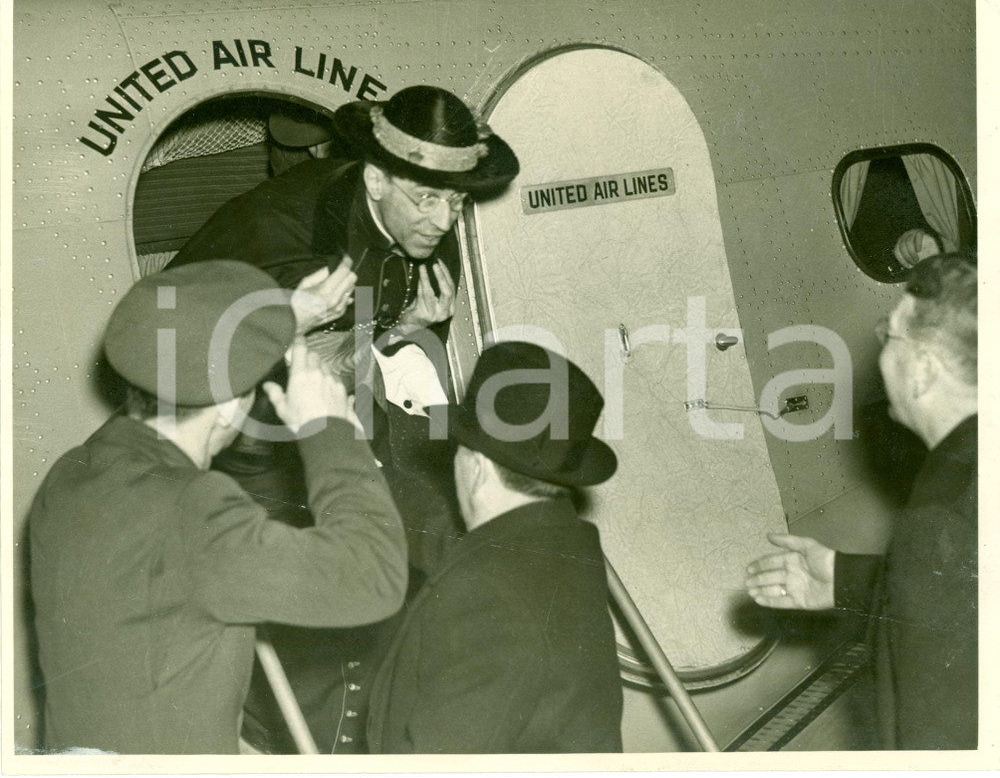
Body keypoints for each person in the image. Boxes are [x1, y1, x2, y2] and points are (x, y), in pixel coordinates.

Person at [166, 85, 520, 753]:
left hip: (333, 403)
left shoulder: (422, 230)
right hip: (237, 429)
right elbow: (223, 361)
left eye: (457, 200)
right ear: (377, 176)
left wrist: (405, 327)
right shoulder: (279, 234)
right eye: (428, 198)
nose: (444, 220)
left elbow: (361, 345)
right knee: (315, 618)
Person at [29, 260, 407, 754]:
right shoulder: (194, 509)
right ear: (232, 407)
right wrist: (329, 431)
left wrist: (276, 322)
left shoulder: (73, 474)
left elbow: (175, 362)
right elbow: (374, 576)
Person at [745, 253, 977, 749]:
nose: (879, 349)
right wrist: (845, 579)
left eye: (889, 335)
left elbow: (939, 738)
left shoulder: (940, 512)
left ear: (923, 372)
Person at [367, 341, 624, 753]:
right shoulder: (562, 544)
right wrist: (357, 460)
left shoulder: (491, 597)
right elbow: (448, 542)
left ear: (476, 468)